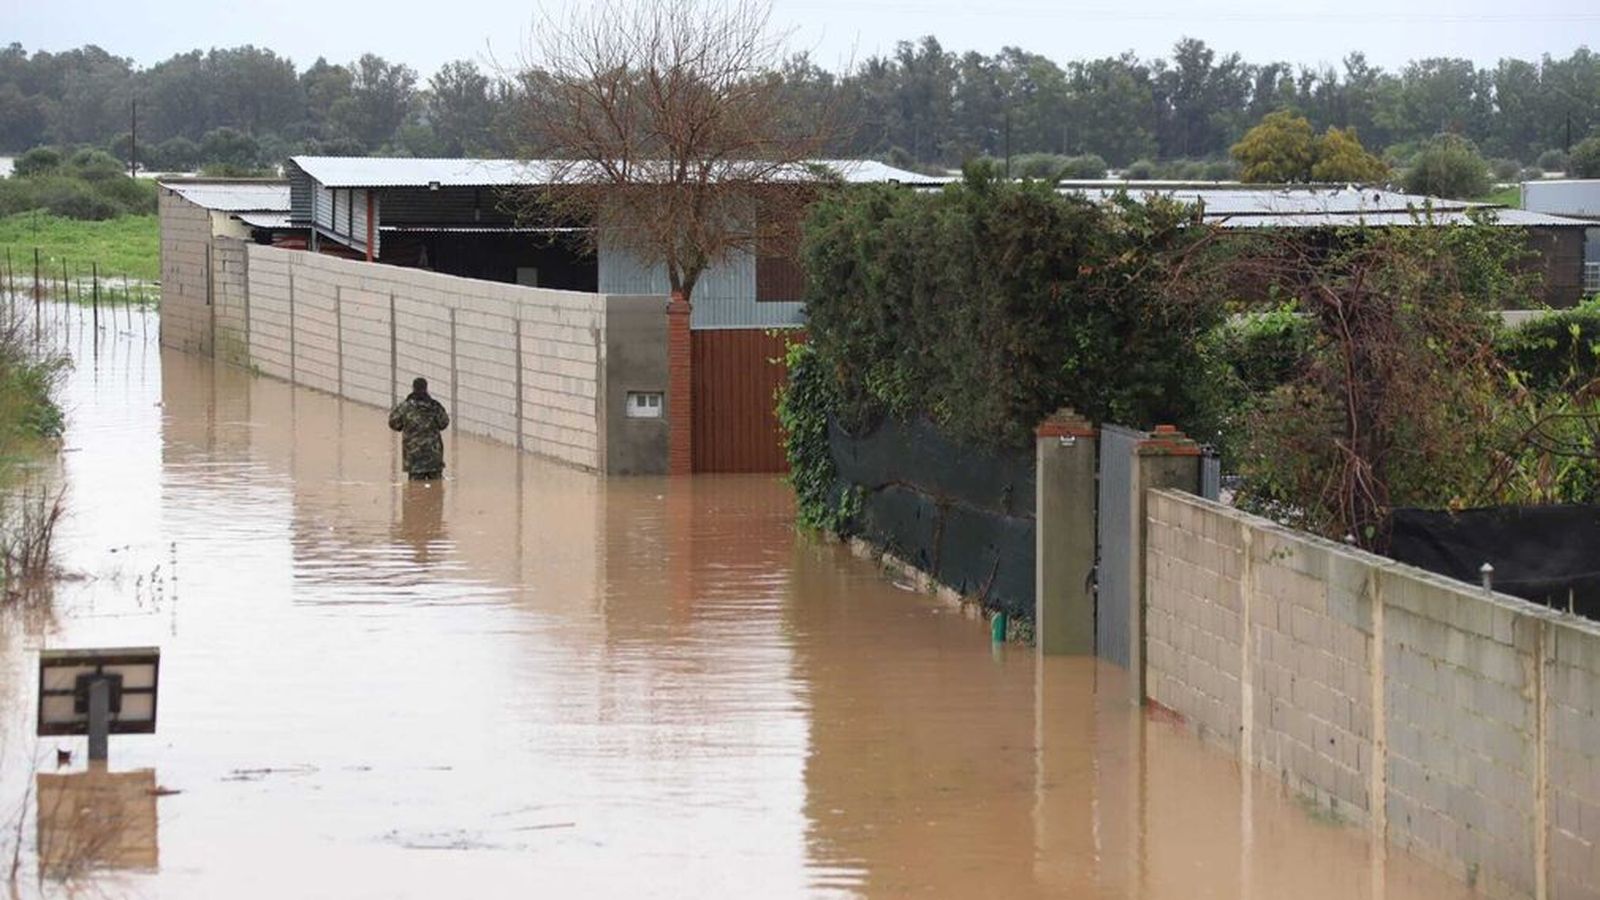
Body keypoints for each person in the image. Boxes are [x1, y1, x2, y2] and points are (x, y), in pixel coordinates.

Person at [389, 377, 450, 480]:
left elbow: (393, 423)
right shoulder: (434, 406)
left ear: (413, 388)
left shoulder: (405, 407)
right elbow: (444, 423)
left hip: (414, 458)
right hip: (433, 457)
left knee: (414, 491)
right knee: (436, 492)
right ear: (426, 388)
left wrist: (406, 427)